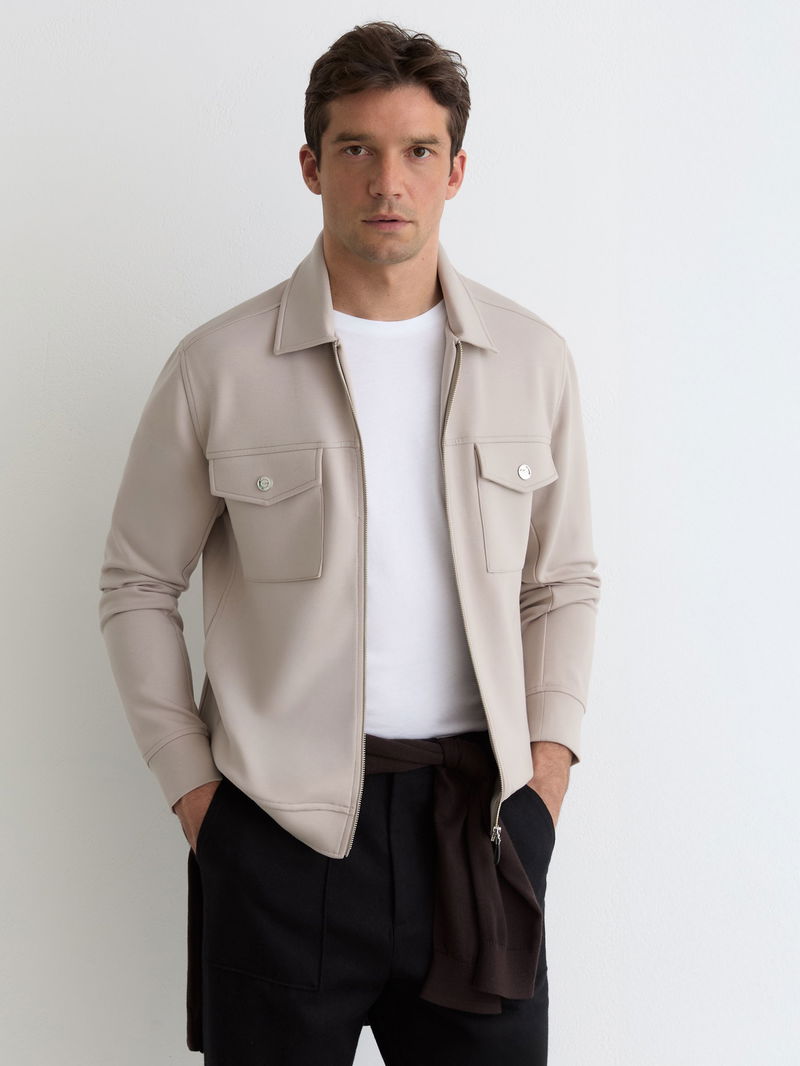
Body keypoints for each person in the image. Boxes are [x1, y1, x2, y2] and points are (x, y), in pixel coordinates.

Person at [98, 20, 601, 1066]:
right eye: (356, 148)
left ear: (456, 170)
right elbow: (138, 581)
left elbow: (561, 583)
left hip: (478, 829)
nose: (387, 181)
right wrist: (198, 797)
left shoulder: (532, 360)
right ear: (310, 165)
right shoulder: (217, 366)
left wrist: (544, 779)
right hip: (277, 837)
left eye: (418, 151)